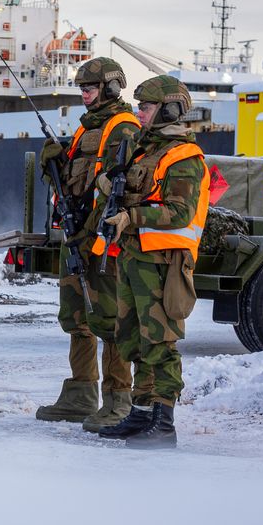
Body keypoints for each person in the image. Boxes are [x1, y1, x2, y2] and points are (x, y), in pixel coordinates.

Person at [91, 76, 210, 449]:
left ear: (168, 109)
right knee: (132, 339)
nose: (138, 112)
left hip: (164, 263)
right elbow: (127, 187)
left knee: (160, 342)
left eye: (145, 106)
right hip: (135, 258)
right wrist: (109, 186)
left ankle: (164, 423)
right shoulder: (143, 150)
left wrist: (132, 217)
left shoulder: (183, 157)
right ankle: (142, 412)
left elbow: (178, 211)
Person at [34, 57, 139, 428]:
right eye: (81, 89)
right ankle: (80, 394)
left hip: (101, 241)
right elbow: (78, 183)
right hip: (77, 237)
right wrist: (56, 166)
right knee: (76, 317)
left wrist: (88, 233)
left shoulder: (122, 128)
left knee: (109, 320)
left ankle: (118, 399)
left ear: (111, 87)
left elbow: (116, 191)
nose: (84, 95)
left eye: (91, 88)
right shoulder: (86, 129)